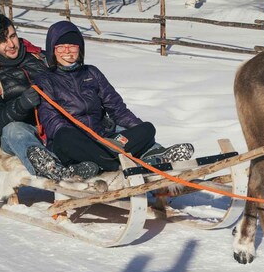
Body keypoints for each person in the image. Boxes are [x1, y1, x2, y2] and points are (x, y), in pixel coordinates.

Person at [31, 21, 193, 176]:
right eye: (61, 47)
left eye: (72, 46)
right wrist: (85, 140)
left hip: (103, 141)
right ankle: (119, 164)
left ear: (80, 49)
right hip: (73, 143)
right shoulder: (45, 79)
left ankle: (116, 159)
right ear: (52, 49)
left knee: (147, 128)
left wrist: (142, 135)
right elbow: (51, 120)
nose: (67, 51)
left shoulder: (92, 73)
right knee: (65, 135)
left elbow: (117, 109)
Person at [0, 6, 95, 181]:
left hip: (55, 121)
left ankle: (133, 153)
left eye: (12, 36)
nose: (11, 44)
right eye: (2, 41)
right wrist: (22, 104)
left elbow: (75, 82)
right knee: (13, 130)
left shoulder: (42, 58)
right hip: (23, 131)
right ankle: (52, 167)